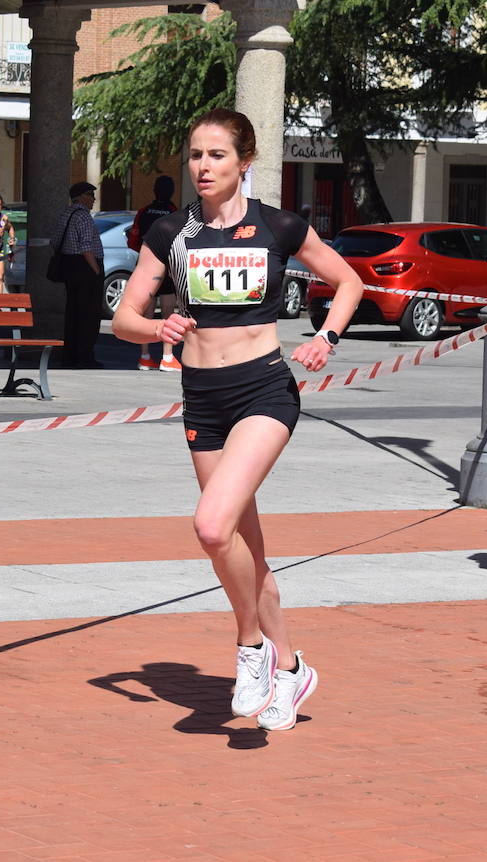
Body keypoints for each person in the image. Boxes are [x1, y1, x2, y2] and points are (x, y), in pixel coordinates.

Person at [112, 109, 363, 730]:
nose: (203, 166)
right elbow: (123, 318)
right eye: (196, 154)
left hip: (263, 392)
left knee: (209, 525)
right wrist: (156, 327)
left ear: (244, 162)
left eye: (217, 155)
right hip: (203, 399)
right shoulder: (171, 232)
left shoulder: (278, 226)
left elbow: (349, 282)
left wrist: (326, 337)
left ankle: (252, 648)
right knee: (244, 548)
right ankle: (291, 669)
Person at [127, 175, 181, 370]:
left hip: (145, 265)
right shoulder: (174, 212)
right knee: (168, 314)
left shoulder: (144, 212)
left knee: (146, 314)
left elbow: (133, 240)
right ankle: (167, 357)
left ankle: (145, 357)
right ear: (171, 192)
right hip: (167, 267)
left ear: (154, 190)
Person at [53, 181, 105, 368]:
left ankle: (70, 355)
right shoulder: (83, 216)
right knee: (89, 314)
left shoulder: (66, 214)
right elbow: (86, 247)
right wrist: (96, 270)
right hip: (86, 268)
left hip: (70, 267)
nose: (94, 199)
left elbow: (54, 241)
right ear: (81, 197)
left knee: (73, 312)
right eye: (91, 195)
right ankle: (84, 356)